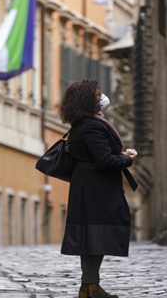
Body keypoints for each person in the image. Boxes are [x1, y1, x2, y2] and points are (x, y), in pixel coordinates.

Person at [59, 80, 138, 298]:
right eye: (98, 93)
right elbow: (104, 160)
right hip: (96, 189)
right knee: (96, 236)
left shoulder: (82, 125)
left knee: (92, 236)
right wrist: (127, 159)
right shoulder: (92, 126)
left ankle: (89, 286)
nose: (102, 97)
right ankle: (91, 286)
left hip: (89, 187)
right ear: (87, 100)